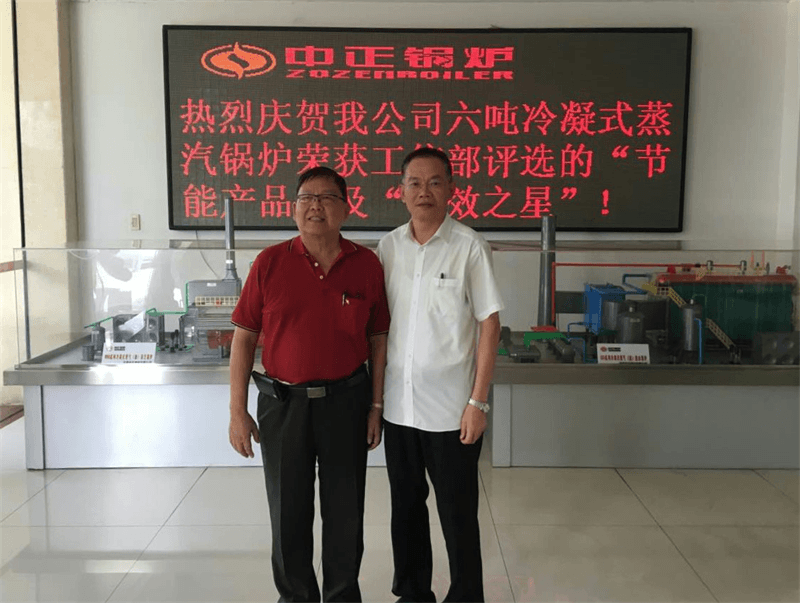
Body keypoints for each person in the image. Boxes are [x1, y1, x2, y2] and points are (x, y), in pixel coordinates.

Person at [228, 166, 390, 602]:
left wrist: (376, 407)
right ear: (294, 209)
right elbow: (243, 339)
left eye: (326, 197)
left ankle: (342, 596)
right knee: (288, 513)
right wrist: (237, 411)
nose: (315, 206)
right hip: (283, 405)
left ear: (346, 208)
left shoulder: (366, 264)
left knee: (345, 513)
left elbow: (378, 339)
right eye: (306, 198)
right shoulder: (269, 263)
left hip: (347, 401)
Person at [377, 147, 504, 603]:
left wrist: (478, 402)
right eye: (414, 182)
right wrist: (376, 402)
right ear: (401, 191)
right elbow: (379, 328)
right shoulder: (388, 247)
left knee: (457, 514)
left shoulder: (469, 246)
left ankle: (466, 596)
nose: (424, 191)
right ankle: (413, 593)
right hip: (399, 407)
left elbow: (490, 322)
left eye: (434, 182)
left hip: (453, 411)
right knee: (406, 509)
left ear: (452, 189)